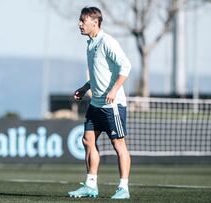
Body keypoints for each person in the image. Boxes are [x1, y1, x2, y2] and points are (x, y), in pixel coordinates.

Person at [68, 6, 131, 199]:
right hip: (95, 104)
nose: (79, 24)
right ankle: (91, 185)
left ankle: (123, 188)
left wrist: (113, 90)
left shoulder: (107, 41)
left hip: (112, 105)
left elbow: (126, 66)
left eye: (83, 20)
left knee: (118, 144)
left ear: (95, 22)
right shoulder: (90, 44)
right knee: (87, 140)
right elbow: (99, 74)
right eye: (80, 20)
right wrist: (86, 87)